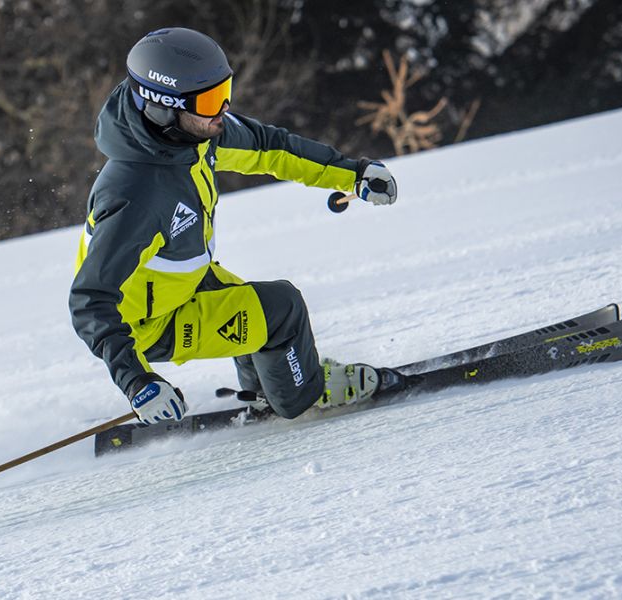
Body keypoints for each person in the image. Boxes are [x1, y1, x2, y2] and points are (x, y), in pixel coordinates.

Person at [69, 27, 404, 425]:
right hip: (146, 324)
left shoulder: (193, 134)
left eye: (224, 91)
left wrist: (353, 174)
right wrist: (136, 380)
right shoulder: (136, 194)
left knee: (246, 301)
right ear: (163, 107)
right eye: (210, 100)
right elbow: (90, 300)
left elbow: (269, 147)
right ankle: (307, 395)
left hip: (178, 282)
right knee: (283, 310)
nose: (223, 109)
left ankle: (264, 391)